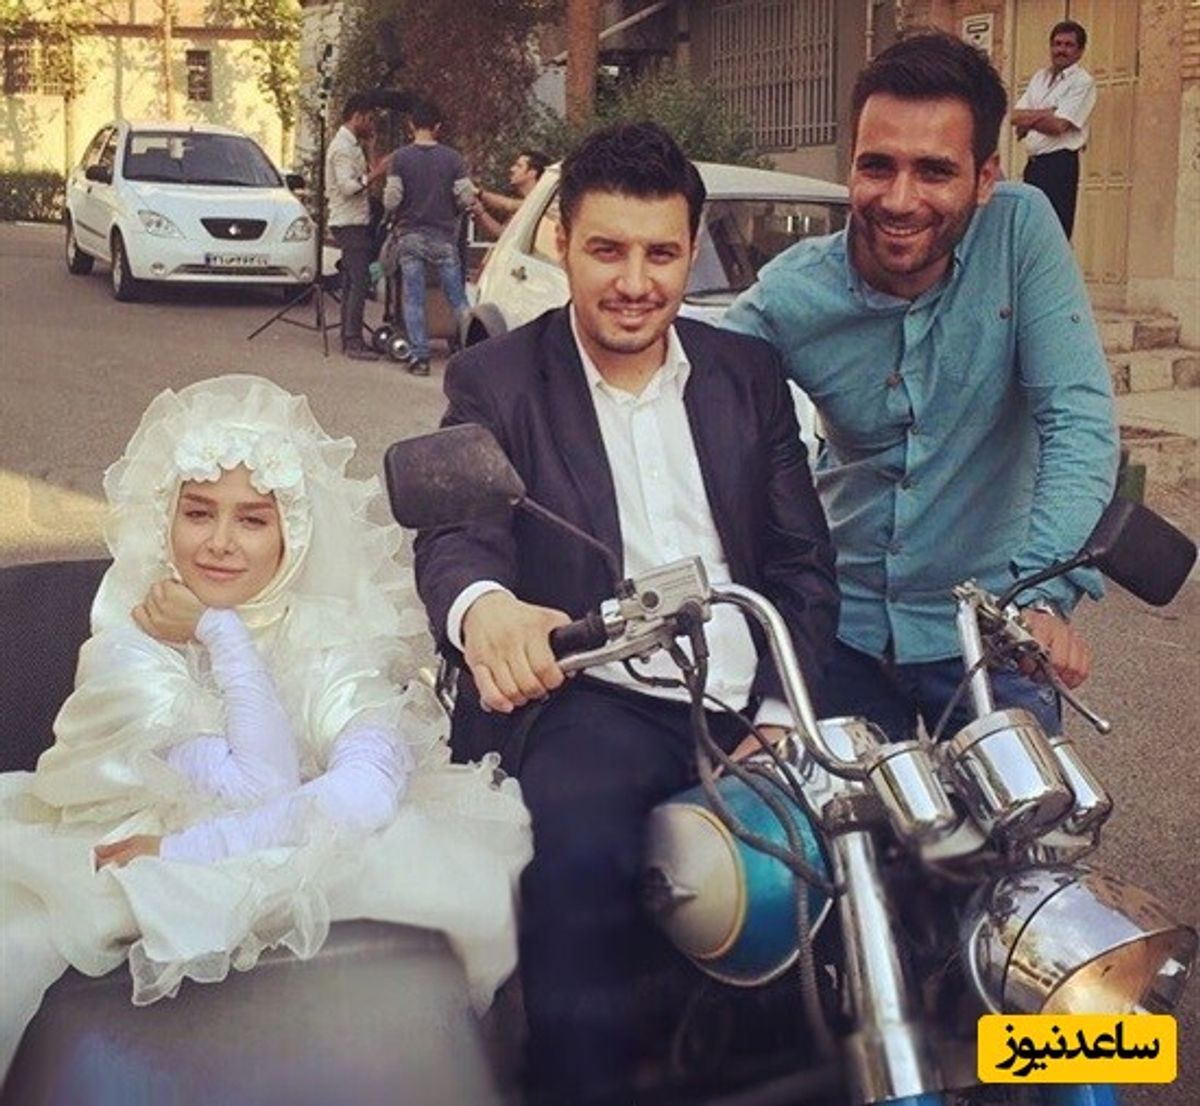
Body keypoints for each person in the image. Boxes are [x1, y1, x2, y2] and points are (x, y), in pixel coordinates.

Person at [413, 122, 838, 1106]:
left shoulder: (748, 374)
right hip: (596, 695)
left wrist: (782, 715)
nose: (636, 282)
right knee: (580, 860)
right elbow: (458, 534)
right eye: (608, 249)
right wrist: (487, 611)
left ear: (693, 252)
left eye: (662, 253)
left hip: (753, 699)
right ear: (563, 241)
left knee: (870, 868)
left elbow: (804, 567)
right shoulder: (496, 379)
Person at [0, 375, 531, 1076]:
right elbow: (259, 784)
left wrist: (195, 845)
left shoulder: (326, 631)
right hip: (117, 862)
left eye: (252, 520)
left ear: (292, 535)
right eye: (198, 513)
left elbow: (369, 785)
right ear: (166, 520)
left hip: (219, 855)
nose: (220, 543)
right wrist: (222, 634)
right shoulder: (129, 638)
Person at [724, 32, 1118, 745]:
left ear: (985, 176)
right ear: (851, 165)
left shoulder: (1021, 232)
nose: (900, 199)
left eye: (935, 170)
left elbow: (1078, 418)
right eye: (878, 166)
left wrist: (1042, 595)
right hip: (839, 625)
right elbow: (690, 402)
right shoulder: (789, 292)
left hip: (990, 625)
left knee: (1030, 811)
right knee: (808, 813)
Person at [382, 100, 475, 378]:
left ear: (411, 125)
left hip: (410, 236)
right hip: (444, 237)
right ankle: (472, 352)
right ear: (437, 127)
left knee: (413, 298)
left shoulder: (400, 158)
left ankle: (420, 358)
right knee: (457, 298)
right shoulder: (453, 159)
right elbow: (466, 197)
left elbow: (392, 199)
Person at [1010, 20, 1096, 239]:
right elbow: (1014, 117)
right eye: (1057, 44)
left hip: (1059, 166)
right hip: (1034, 165)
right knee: (1030, 232)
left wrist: (1031, 119)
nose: (1061, 50)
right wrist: (1047, 112)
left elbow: (1059, 126)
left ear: (1080, 51)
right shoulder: (1040, 77)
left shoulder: (1082, 82)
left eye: (1068, 45)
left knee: (1054, 233)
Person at [326, 93, 388, 361]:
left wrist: (372, 152)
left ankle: (349, 335)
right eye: (369, 119)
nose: (371, 125)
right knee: (359, 281)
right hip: (348, 221)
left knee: (353, 281)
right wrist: (377, 173)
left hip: (356, 220)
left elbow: (366, 173)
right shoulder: (341, 148)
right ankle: (352, 340)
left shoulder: (353, 145)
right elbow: (348, 186)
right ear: (357, 117)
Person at [471, 148, 551, 238]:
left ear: (532, 173)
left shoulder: (542, 202)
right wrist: (481, 213)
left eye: (519, 166)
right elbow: (504, 234)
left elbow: (508, 204)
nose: (512, 169)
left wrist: (478, 193)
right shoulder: (527, 205)